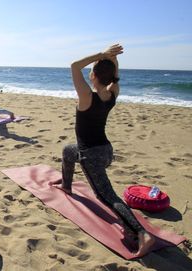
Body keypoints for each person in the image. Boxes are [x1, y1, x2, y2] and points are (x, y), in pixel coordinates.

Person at [53, 44, 155, 257]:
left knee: (107, 197)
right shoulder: (112, 93)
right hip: (107, 151)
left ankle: (142, 234)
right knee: (67, 150)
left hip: (91, 156)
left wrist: (102, 55)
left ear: (93, 75)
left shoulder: (86, 97)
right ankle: (67, 185)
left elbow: (74, 66)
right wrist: (112, 61)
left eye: (92, 70)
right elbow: (114, 78)